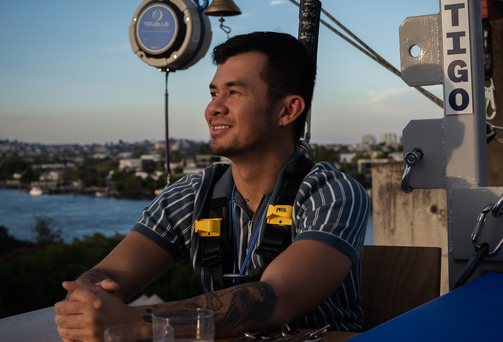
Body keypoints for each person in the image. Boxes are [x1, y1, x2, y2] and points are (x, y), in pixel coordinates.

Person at [54, 31, 369, 342]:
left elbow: (276, 298)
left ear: (287, 110)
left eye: (233, 92)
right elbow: (110, 274)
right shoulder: (192, 196)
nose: (213, 108)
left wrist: (133, 322)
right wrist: (87, 299)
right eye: (213, 93)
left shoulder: (332, 193)